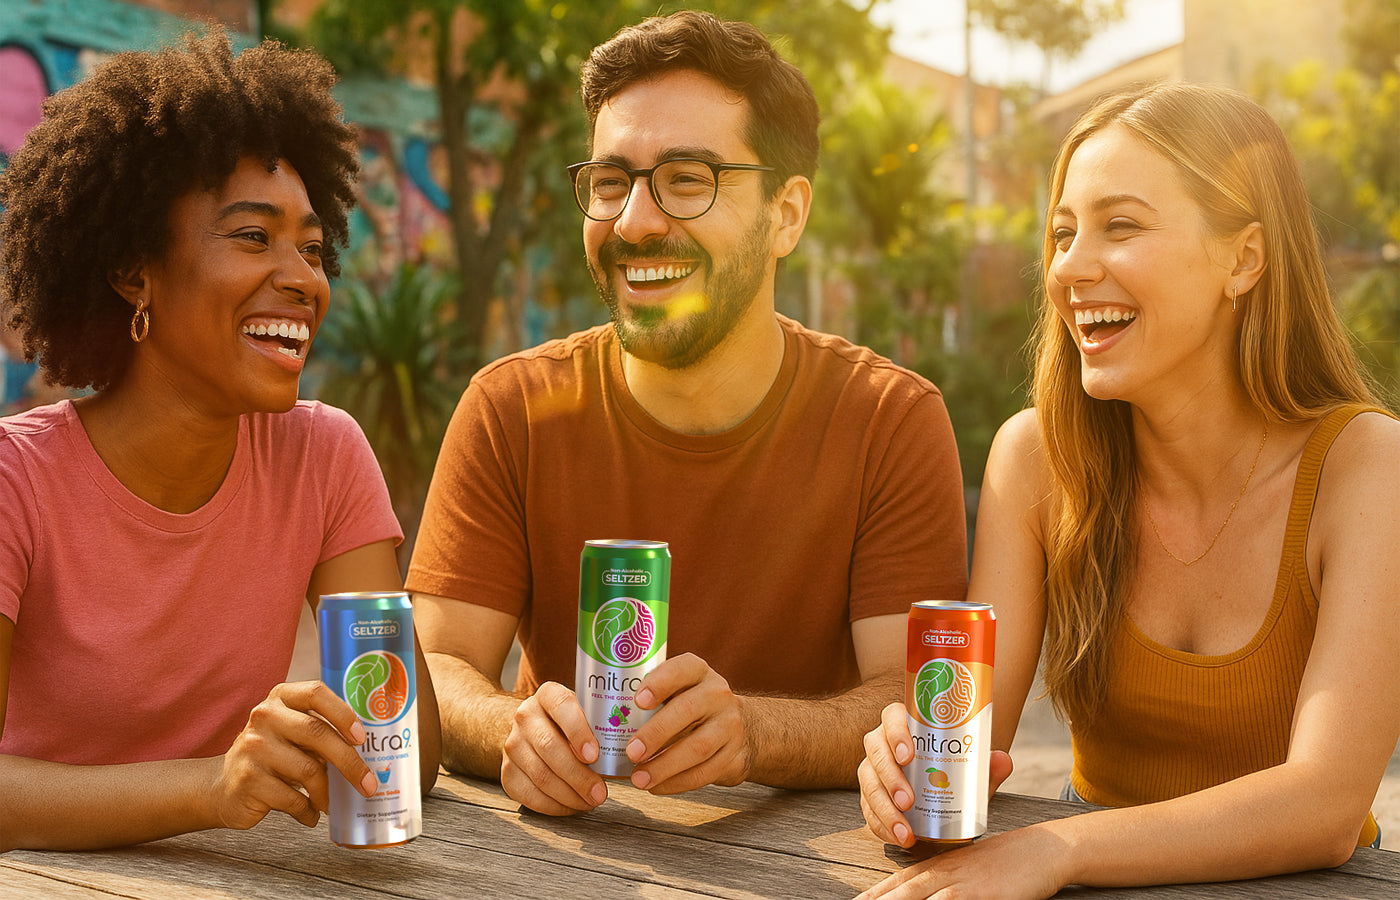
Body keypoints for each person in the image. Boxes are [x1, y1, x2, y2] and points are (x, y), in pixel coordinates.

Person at [407, 10, 967, 817]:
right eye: (611, 182)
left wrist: (753, 733)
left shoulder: (889, 419)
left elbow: (907, 695)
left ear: (787, 215)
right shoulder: (510, 408)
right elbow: (440, 664)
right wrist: (510, 731)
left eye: (687, 179)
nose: (635, 221)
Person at [856, 81, 1400, 898]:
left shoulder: (1367, 468)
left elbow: (1324, 805)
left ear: (1243, 258)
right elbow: (976, 739)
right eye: (1063, 233)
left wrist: (1059, 850)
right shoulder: (1035, 458)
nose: (1070, 267)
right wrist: (907, 770)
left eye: (1122, 226)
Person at [0, 31, 440, 852]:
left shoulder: (324, 456)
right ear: (136, 271)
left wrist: (339, 726)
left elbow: (410, 760)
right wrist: (213, 785)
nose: (305, 278)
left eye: (312, 248)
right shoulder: (15, 482)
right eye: (252, 236)